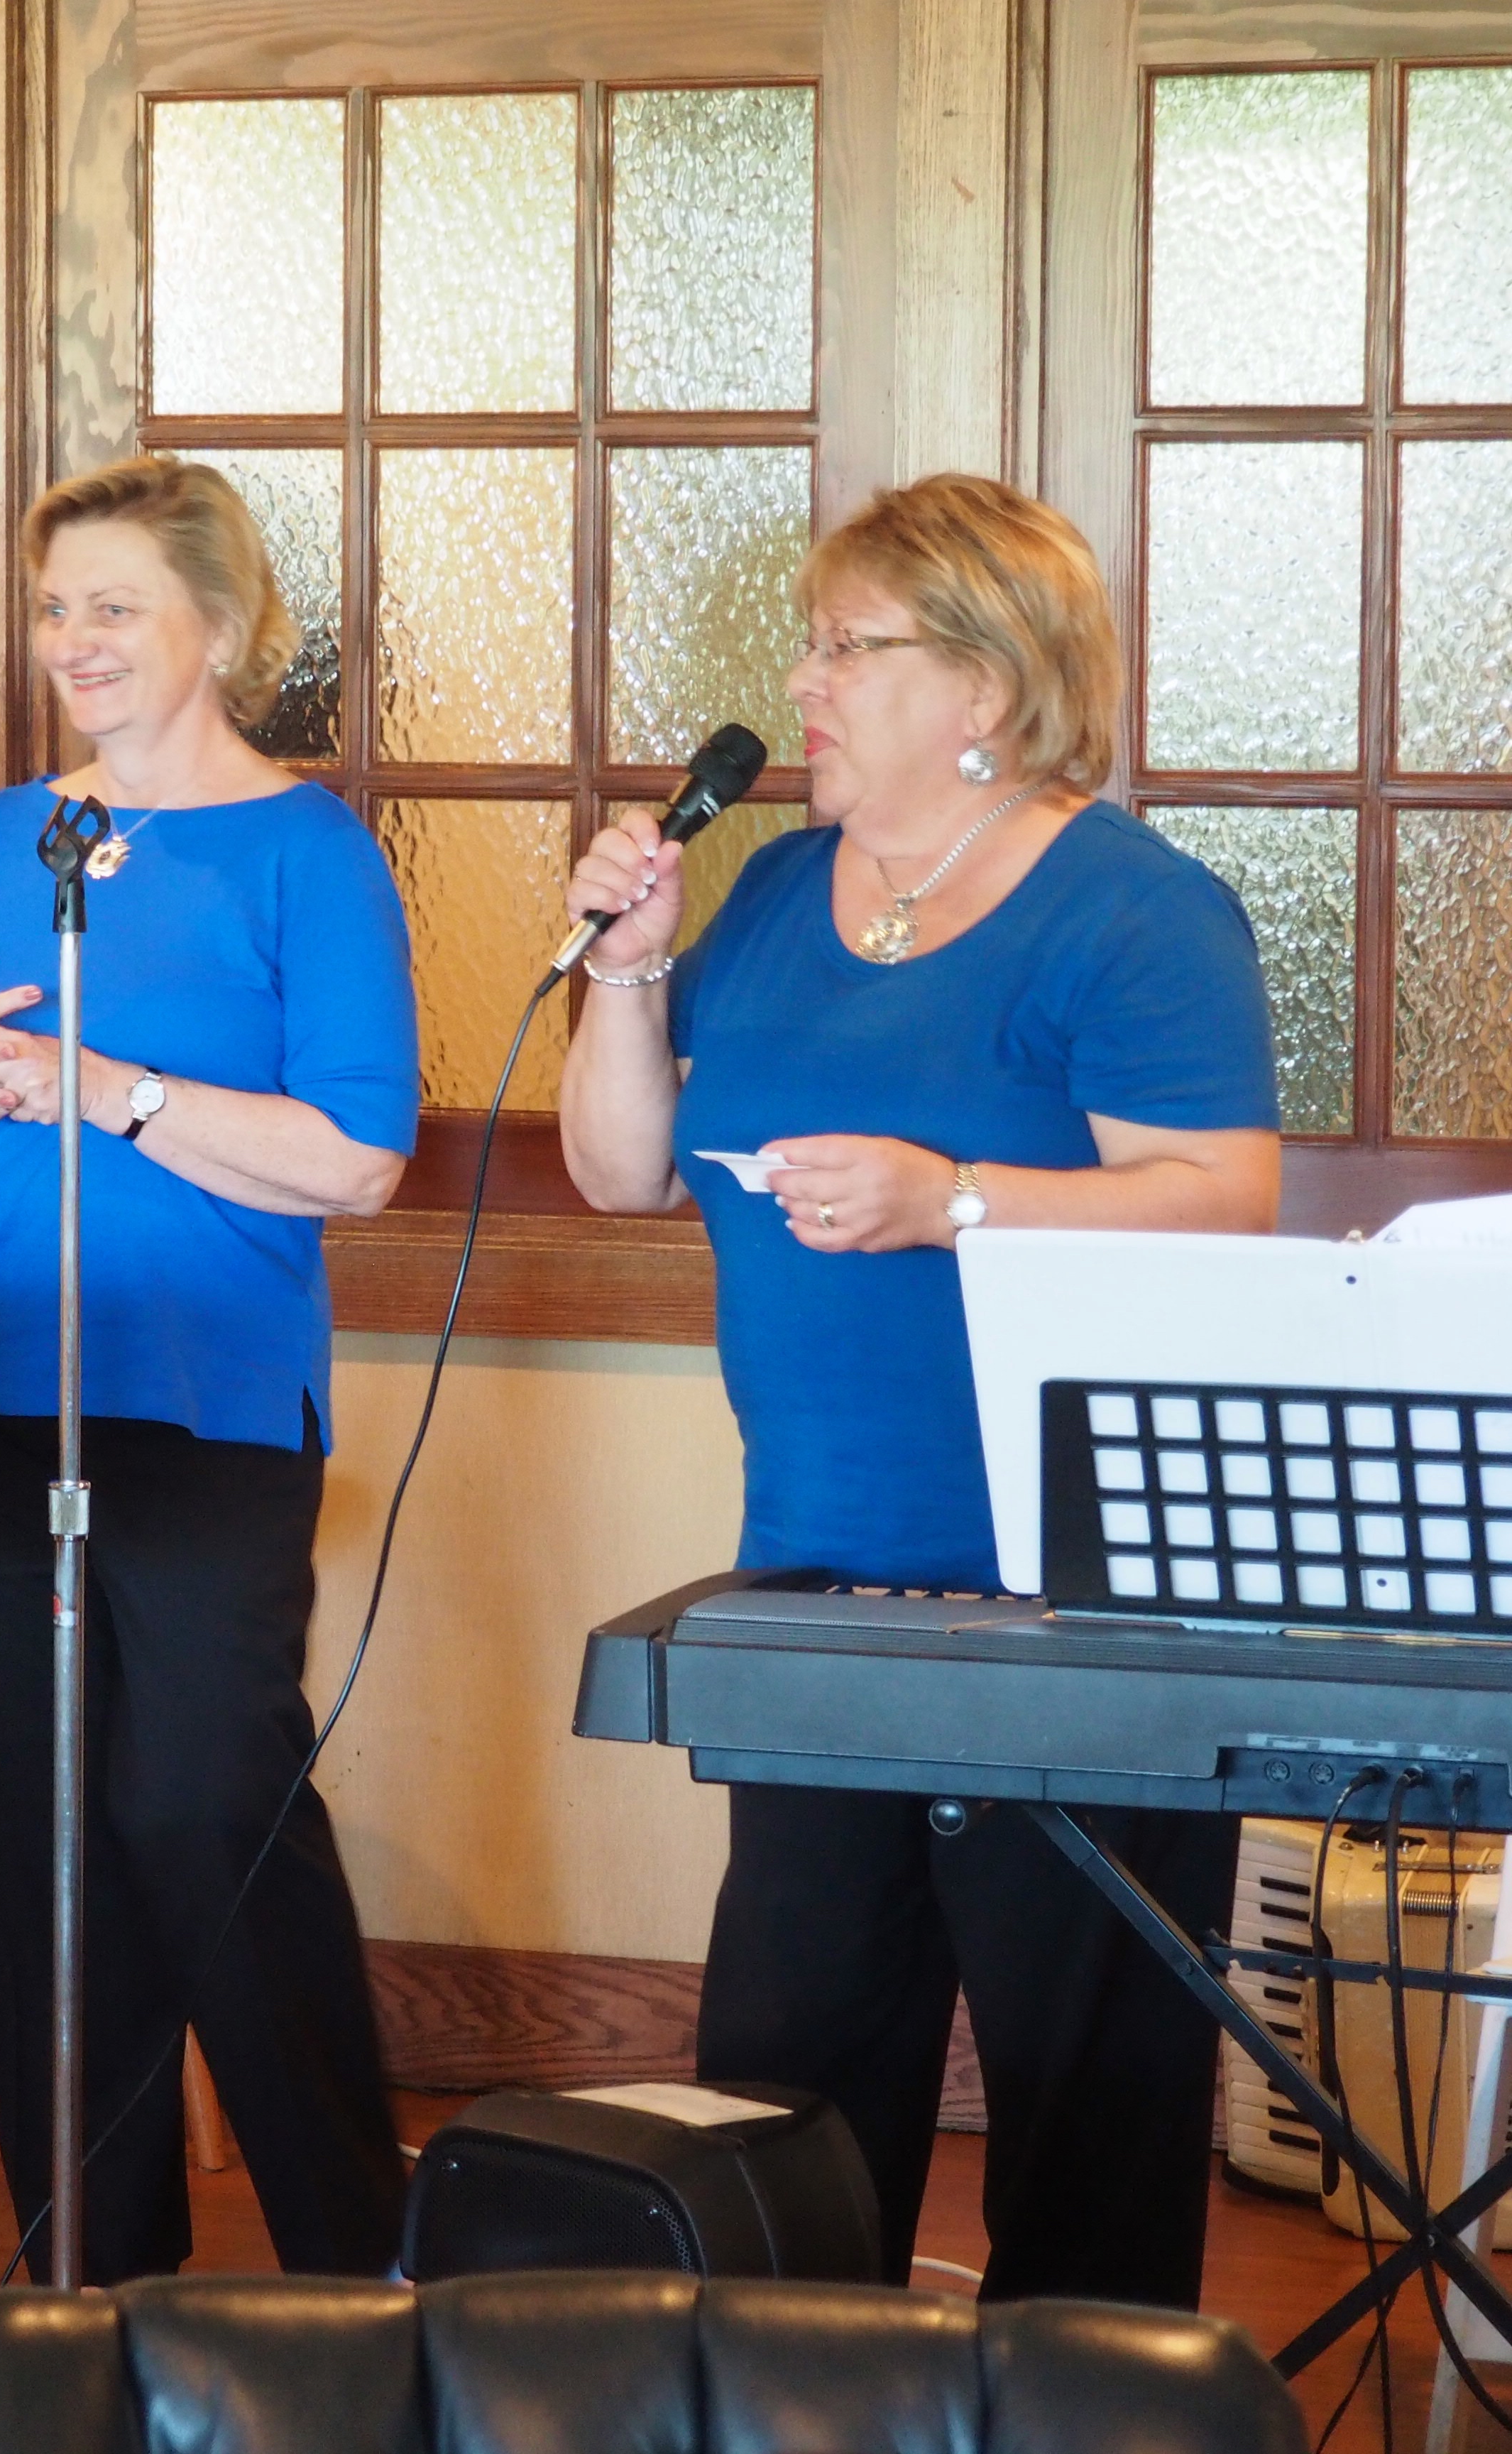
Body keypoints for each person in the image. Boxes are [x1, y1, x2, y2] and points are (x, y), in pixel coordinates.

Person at [554, 471, 1282, 2306]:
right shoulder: (777, 893)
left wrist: (950, 1200)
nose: (802, 684)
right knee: (790, 2095)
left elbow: (1222, 1199)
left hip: (1087, 1599)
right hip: (819, 1576)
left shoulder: (1136, 913)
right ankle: (805, 2415)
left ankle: (1084, 2419)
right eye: (809, 647)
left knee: (1088, 2117)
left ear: (985, 684)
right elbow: (622, 1174)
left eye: (846, 650)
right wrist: (629, 979)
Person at [0, 452, 418, 2284]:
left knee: (199, 1801)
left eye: (115, 606)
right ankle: (90, 2279)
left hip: (203, 1402)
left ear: (224, 630)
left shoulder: (308, 853)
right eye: (52, 608)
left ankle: (358, 2265)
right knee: (37, 1844)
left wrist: (110, 1090)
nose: (72, 641)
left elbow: (360, 1160)